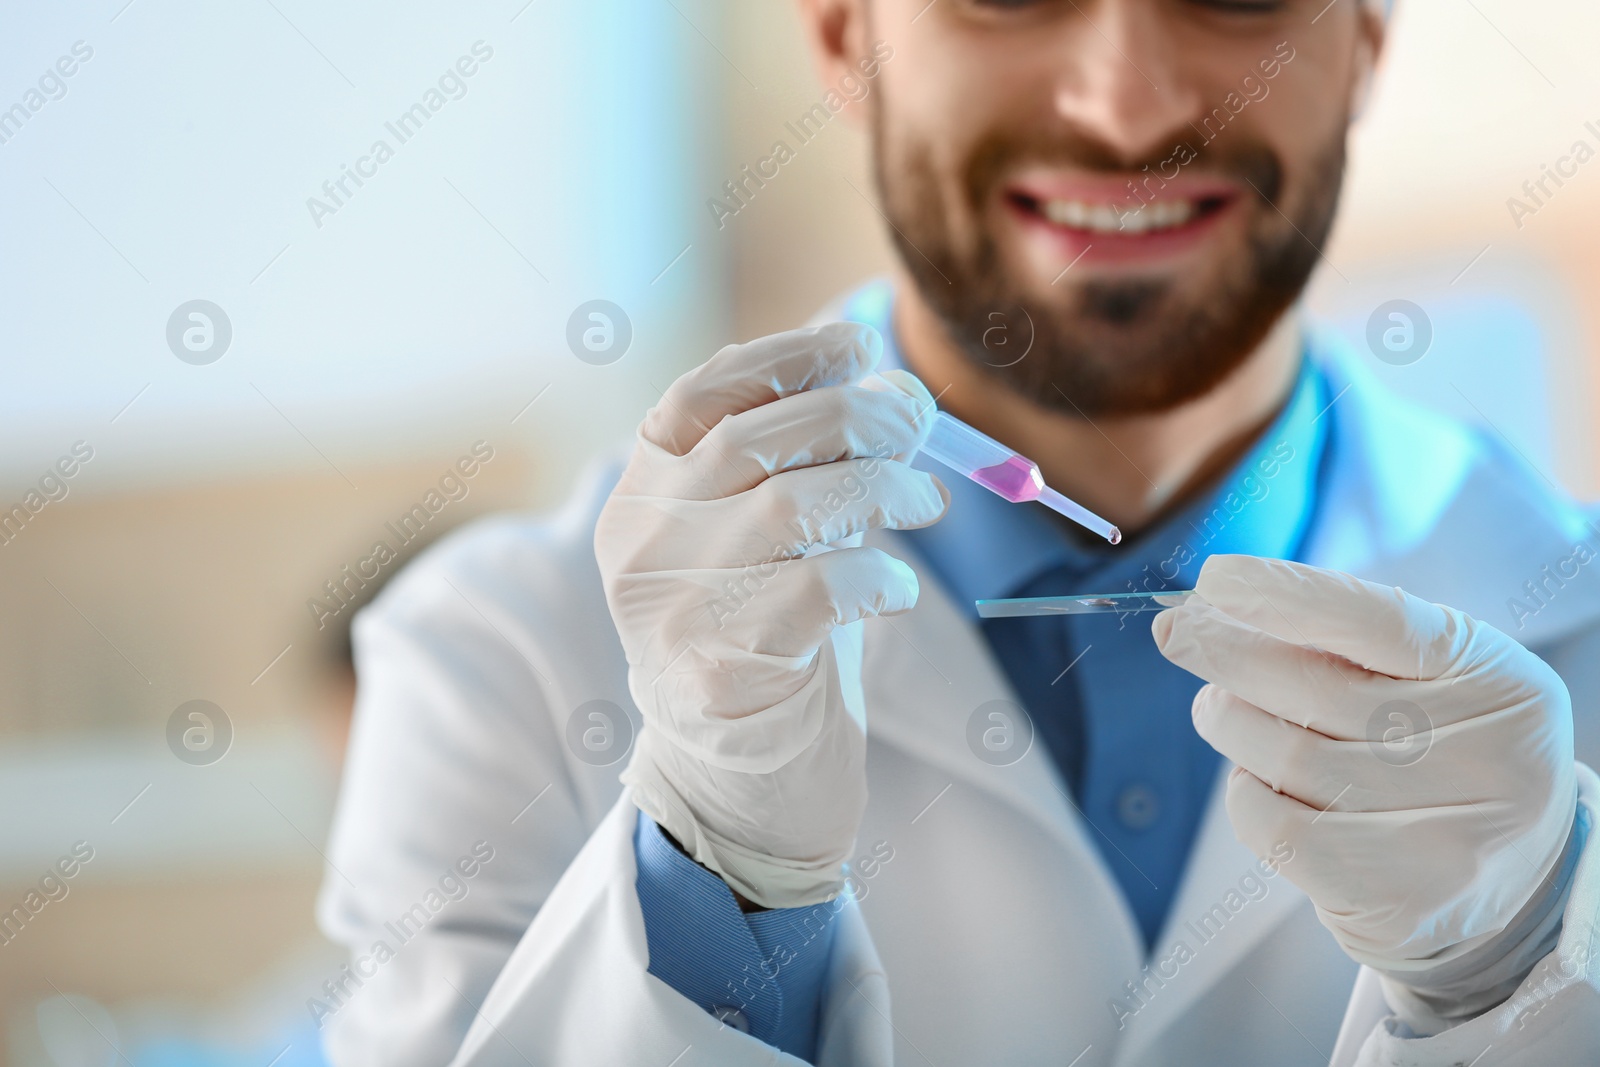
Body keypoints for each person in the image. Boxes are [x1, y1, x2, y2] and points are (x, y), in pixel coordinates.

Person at [314, 0, 1600, 1063]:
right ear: (839, 38)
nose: (1127, 107)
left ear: (1366, 40)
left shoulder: (1569, 618)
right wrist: (715, 877)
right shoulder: (493, 659)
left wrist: (1528, 964)